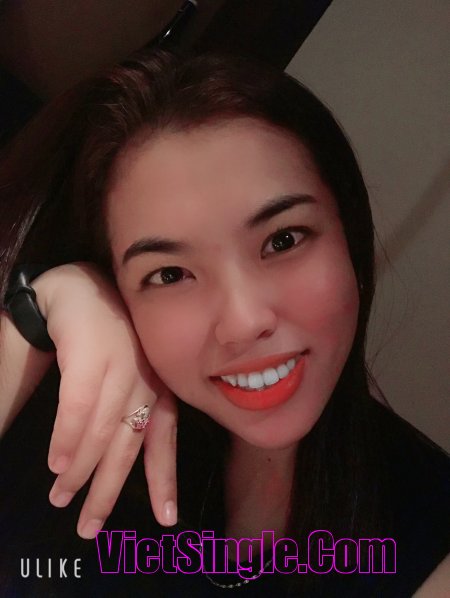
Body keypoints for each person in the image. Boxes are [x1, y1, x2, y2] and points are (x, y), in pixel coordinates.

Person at [0, 49, 449, 597]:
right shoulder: (57, 406)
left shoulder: (422, 524)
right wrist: (42, 308)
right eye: (169, 274)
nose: (243, 322)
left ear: (349, 239)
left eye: (283, 240)